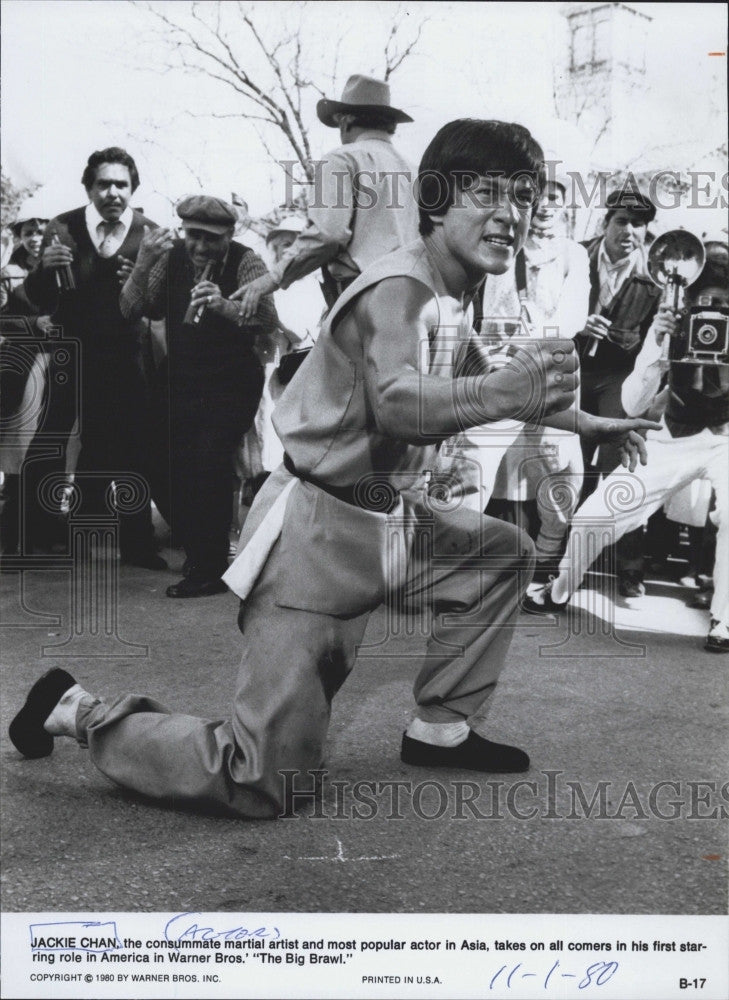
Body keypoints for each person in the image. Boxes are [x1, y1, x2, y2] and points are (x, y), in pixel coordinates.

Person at [9, 120, 656, 819]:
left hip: (390, 521)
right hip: (313, 540)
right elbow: (402, 404)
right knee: (259, 781)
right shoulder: (399, 289)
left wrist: (581, 423)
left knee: (501, 554)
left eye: (524, 195)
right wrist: (496, 396)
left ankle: (440, 728)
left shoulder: (447, 289)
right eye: (487, 193)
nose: (511, 213)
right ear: (434, 202)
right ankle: (77, 709)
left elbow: (479, 376)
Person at [524, 255, 729, 653]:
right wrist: (657, 343)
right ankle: (559, 590)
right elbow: (633, 404)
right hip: (672, 435)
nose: (712, 315)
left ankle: (726, 620)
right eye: (704, 304)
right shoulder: (674, 330)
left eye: (723, 306)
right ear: (689, 304)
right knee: (592, 518)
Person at [120, 195, 277, 598]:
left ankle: (208, 568)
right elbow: (131, 308)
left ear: (230, 235)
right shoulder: (170, 259)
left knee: (207, 461)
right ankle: (200, 547)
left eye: (212, 239)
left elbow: (267, 321)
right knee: (152, 458)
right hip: (180, 377)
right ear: (182, 232)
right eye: (193, 236)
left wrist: (224, 305)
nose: (201, 248)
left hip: (231, 380)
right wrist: (141, 266)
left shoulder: (246, 261)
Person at [20, 147, 163, 567]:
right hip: (70, 350)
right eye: (104, 183)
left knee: (131, 445)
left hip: (124, 354)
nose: (113, 192)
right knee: (49, 442)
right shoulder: (62, 227)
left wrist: (143, 281)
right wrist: (44, 268)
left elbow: (155, 309)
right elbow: (40, 298)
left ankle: (137, 543)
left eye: (122, 184)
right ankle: (36, 538)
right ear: (89, 187)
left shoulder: (148, 233)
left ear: (132, 189)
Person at [233, 74, 419, 318]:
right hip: (415, 301)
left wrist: (274, 277)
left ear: (346, 120)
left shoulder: (341, 160)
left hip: (364, 299)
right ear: (389, 123)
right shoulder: (415, 170)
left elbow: (328, 234)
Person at [576, 187, 661, 597]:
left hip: (618, 379)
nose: (629, 231)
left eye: (638, 224)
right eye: (621, 221)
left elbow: (653, 345)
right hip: (572, 372)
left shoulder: (658, 279)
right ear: (605, 223)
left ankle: (630, 568)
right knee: (565, 466)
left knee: (619, 469)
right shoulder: (575, 257)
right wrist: (578, 324)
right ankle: (557, 561)